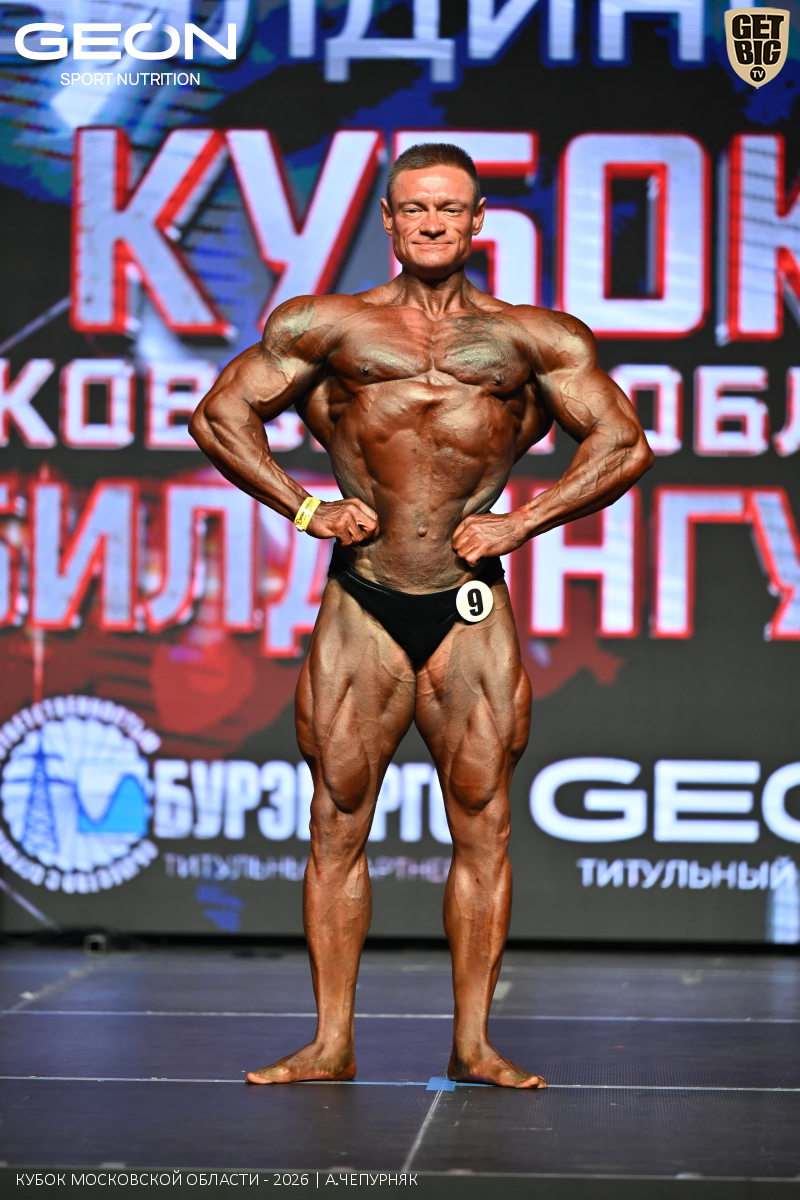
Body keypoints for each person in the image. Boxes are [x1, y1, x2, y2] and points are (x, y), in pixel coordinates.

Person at [189, 142, 653, 1089]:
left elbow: (624, 444)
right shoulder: (325, 324)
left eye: (449, 208)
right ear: (390, 221)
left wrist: (522, 521)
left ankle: (473, 1045)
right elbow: (219, 416)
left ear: (478, 221)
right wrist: (306, 509)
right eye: (415, 208)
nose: (432, 223)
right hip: (361, 601)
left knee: (484, 822)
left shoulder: (534, 339)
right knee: (336, 819)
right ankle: (330, 1043)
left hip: (470, 609)